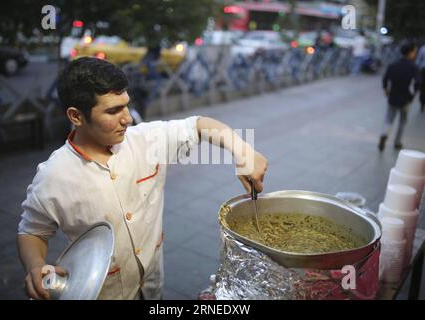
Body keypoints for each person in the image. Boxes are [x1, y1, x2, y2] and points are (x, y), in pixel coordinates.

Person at [16, 57, 268, 300]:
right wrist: (36, 265)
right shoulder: (53, 176)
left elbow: (200, 125)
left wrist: (243, 151)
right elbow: (33, 231)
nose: (127, 118)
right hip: (102, 292)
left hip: (152, 284)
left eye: (126, 105)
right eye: (113, 111)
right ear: (76, 116)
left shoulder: (145, 141)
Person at [378, 42, 420, 151]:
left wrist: (386, 89)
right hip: (406, 98)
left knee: (389, 119)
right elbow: (417, 83)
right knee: (403, 121)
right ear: (410, 52)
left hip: (393, 96)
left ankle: (384, 134)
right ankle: (397, 142)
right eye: (414, 51)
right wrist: (413, 95)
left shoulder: (393, 65)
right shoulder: (413, 67)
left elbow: (385, 78)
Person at [415, 43, 425, 112]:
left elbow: (418, 61)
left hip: (423, 71)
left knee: (423, 89)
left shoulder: (422, 49)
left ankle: (422, 105)